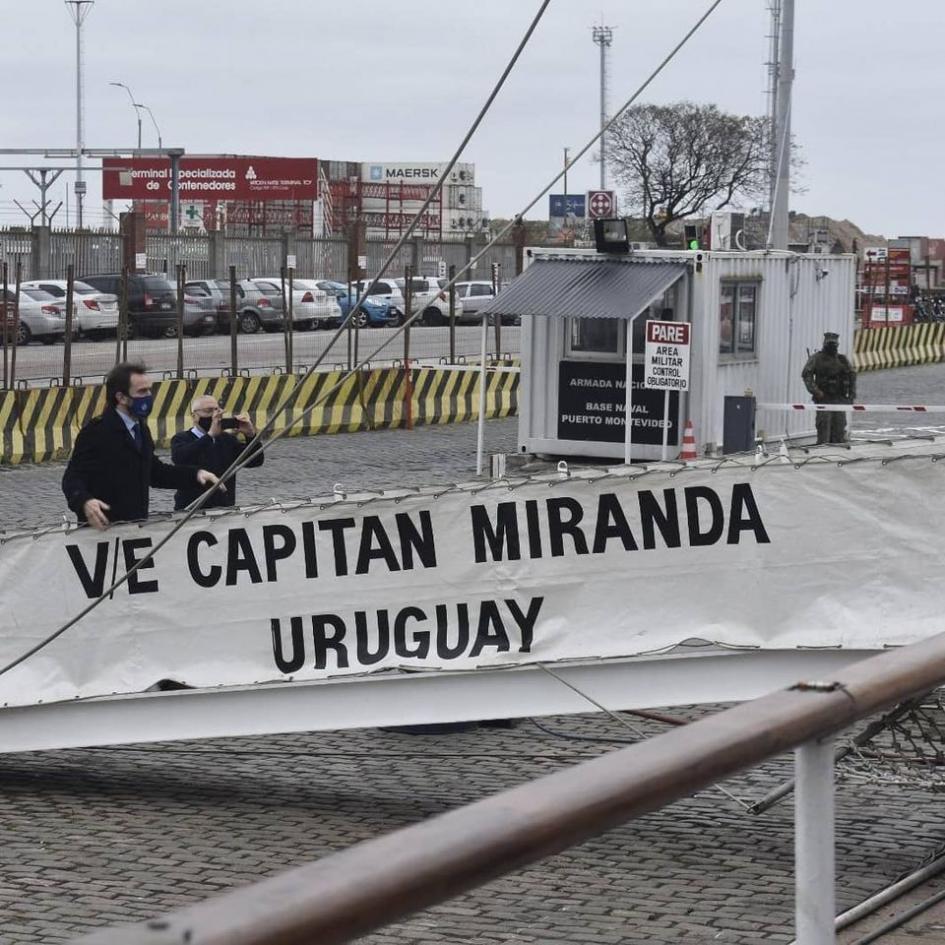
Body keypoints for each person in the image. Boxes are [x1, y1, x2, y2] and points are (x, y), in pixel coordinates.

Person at [62, 362, 223, 529]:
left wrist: (195, 475)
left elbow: (154, 472)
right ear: (121, 397)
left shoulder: (141, 428)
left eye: (149, 390)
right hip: (102, 533)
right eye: (142, 391)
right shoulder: (97, 431)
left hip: (134, 530)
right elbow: (72, 478)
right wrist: (85, 501)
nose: (148, 396)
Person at [171, 395, 264, 510]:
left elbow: (255, 461)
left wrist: (250, 436)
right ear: (194, 416)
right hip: (191, 508)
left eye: (217, 410)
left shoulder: (227, 439)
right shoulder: (181, 439)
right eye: (208, 411)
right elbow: (181, 457)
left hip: (224, 508)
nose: (215, 415)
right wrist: (210, 436)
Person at [801, 331, 856, 445]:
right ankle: (822, 450)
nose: (832, 346)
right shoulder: (816, 358)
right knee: (824, 429)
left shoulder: (842, 359)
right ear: (825, 344)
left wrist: (851, 395)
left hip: (839, 399)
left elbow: (852, 376)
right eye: (829, 344)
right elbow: (807, 374)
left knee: (839, 429)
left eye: (834, 344)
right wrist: (816, 391)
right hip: (824, 398)